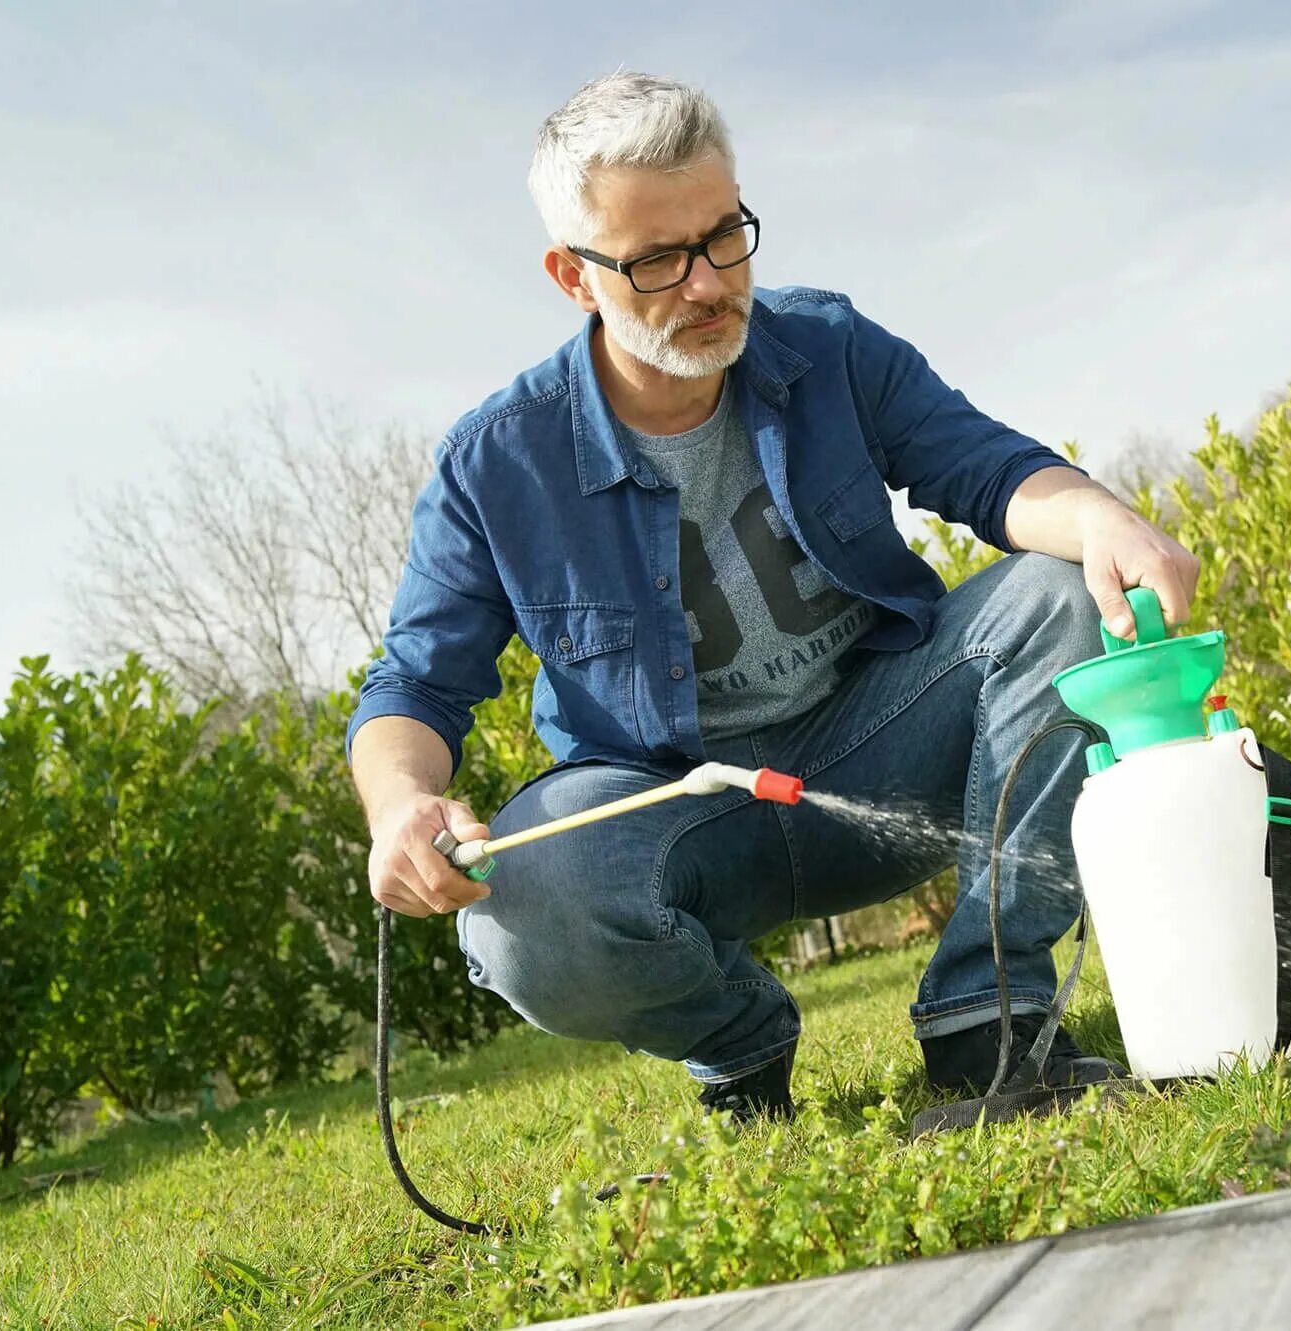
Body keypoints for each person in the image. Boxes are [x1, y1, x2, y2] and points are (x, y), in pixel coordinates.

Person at [346, 72, 1200, 1122]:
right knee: (523, 906)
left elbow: (990, 471)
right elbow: (414, 688)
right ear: (573, 276)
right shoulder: (495, 464)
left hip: (891, 751)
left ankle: (990, 1016)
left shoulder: (829, 346)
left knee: (1063, 588)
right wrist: (399, 807)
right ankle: (742, 1048)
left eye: (725, 235)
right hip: (692, 823)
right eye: (658, 260)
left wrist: (1102, 519)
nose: (708, 284)